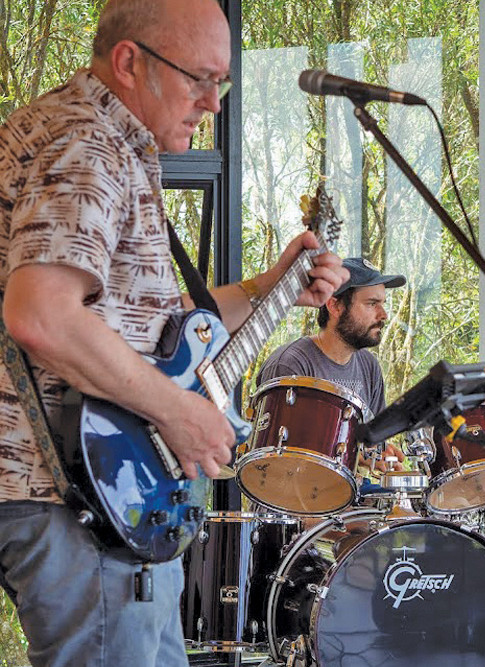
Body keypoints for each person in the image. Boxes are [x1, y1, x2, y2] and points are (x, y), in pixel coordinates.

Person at [0, 1, 349, 666]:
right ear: (130, 63)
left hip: (97, 496)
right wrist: (177, 412)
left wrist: (264, 290)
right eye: (199, 78)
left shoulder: (107, 140)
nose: (212, 103)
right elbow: (41, 313)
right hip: (78, 493)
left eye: (222, 83)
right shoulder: (87, 145)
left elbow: (152, 328)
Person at [256, 257, 406, 478]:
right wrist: (356, 454)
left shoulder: (369, 366)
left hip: (348, 507)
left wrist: (380, 455)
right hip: (293, 505)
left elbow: (372, 443)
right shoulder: (291, 364)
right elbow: (276, 462)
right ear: (335, 305)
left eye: (382, 304)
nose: (383, 315)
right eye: (372, 304)